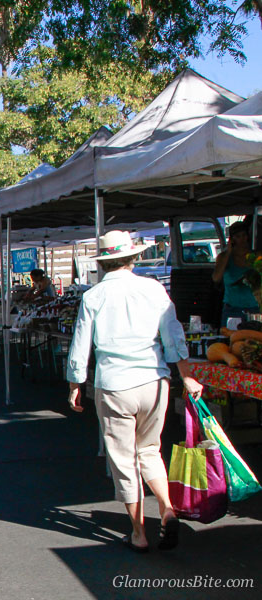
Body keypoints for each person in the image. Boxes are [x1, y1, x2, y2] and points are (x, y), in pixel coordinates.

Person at [66, 230, 203, 553]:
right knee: (150, 451)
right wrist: (187, 376)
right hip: (154, 381)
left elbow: (80, 344)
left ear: (103, 262)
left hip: (114, 384)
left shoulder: (94, 296)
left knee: (123, 459)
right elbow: (173, 335)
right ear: (134, 258)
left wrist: (75, 383)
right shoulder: (153, 289)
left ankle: (139, 532)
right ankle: (167, 509)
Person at [212, 220, 256, 326]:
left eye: (244, 235)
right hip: (232, 308)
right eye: (238, 236)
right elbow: (216, 278)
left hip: (254, 307)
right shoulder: (224, 257)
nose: (242, 239)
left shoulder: (255, 256)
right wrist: (228, 252)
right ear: (232, 239)